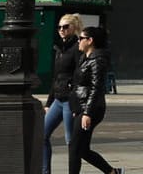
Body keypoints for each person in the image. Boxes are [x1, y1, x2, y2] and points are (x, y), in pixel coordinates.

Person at [68, 25, 122, 174]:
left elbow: (96, 88)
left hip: (90, 109)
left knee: (74, 147)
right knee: (83, 150)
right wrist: (76, 108)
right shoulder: (85, 58)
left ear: (90, 40)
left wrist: (87, 113)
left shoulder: (97, 60)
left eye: (81, 38)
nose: (78, 41)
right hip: (81, 107)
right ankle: (112, 172)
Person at [43, 14, 84, 174]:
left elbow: (78, 76)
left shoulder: (76, 48)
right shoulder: (60, 48)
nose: (61, 30)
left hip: (69, 100)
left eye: (65, 27)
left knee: (71, 141)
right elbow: (56, 77)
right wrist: (48, 103)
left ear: (74, 28)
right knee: (43, 135)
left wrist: (75, 101)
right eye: (59, 27)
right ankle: (45, 171)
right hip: (58, 99)